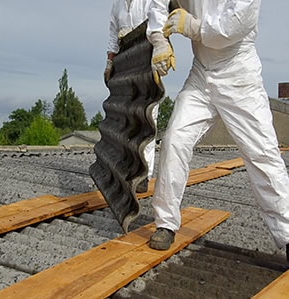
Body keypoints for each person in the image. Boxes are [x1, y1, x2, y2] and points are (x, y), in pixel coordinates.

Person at [146, 0, 289, 261]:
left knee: (262, 155)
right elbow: (158, 2)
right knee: (175, 139)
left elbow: (230, 28)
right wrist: (159, 40)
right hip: (201, 74)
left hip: (239, 75)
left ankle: (288, 235)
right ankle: (165, 223)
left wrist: (191, 26)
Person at [104, 0, 158, 193]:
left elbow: (159, 23)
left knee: (147, 118)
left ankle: (145, 174)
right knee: (126, 119)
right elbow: (113, 32)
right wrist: (110, 61)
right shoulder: (118, 4)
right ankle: (127, 169)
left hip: (146, 60)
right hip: (125, 63)